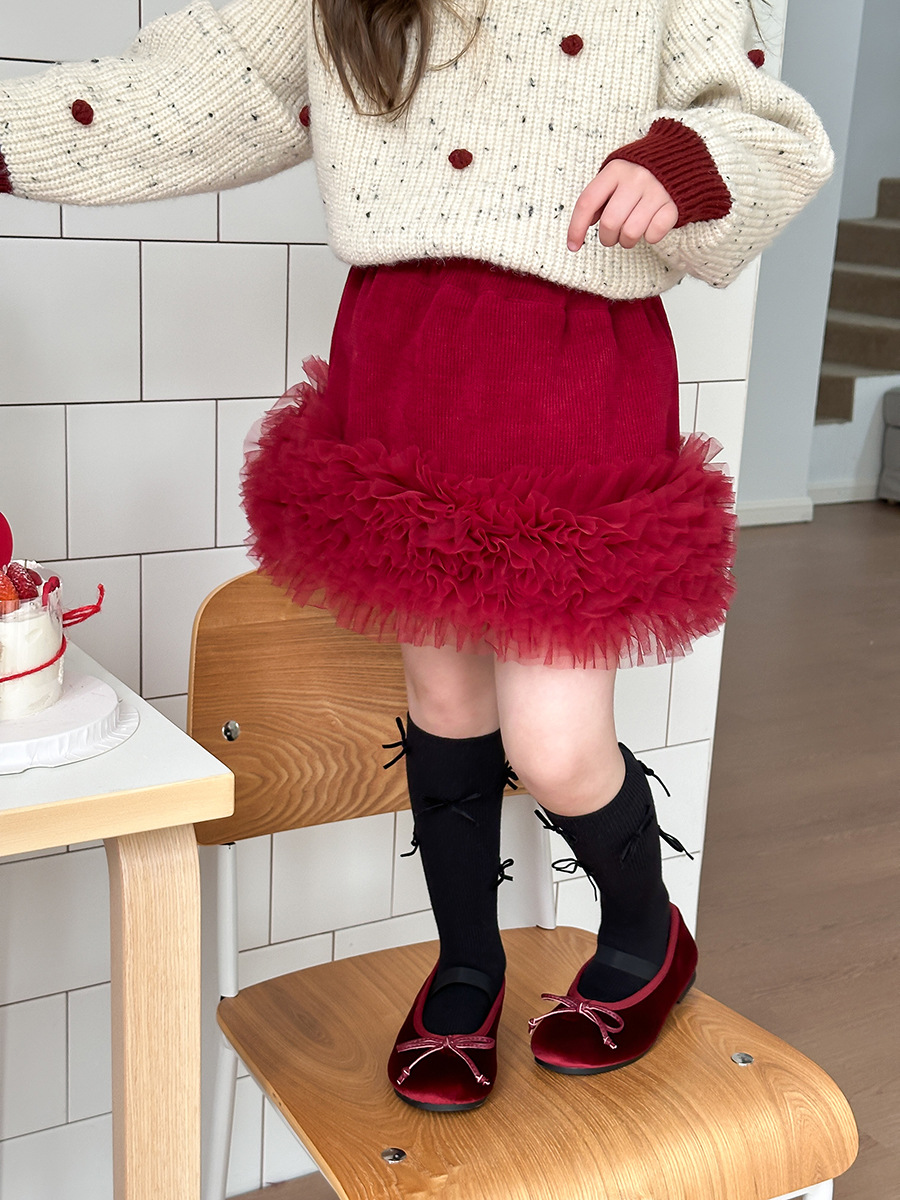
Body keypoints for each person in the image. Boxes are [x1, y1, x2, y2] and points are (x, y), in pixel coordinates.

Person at [0, 0, 832, 1112]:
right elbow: (199, 88)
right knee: (444, 708)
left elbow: (766, 125)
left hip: (573, 372)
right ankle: (467, 965)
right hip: (405, 366)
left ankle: (645, 935)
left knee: (554, 748)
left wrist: (680, 163)